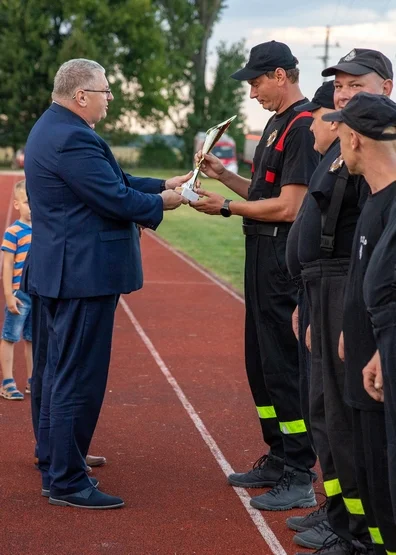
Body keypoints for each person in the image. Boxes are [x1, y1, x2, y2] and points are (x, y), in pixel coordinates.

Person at [24, 58, 190, 509]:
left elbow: (111, 180)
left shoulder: (55, 127)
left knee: (55, 372)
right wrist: (162, 202)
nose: (109, 99)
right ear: (82, 95)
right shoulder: (74, 137)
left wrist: (161, 184)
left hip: (62, 269)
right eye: (105, 91)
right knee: (76, 376)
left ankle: (57, 456)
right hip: (81, 273)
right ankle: (66, 480)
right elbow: (113, 197)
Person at [191, 40, 318, 511]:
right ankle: (278, 454)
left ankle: (300, 470)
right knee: (260, 365)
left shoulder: (303, 126)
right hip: (259, 256)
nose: (252, 92)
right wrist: (225, 177)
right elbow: (264, 191)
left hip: (281, 260)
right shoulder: (275, 125)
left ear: (281, 75)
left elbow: (290, 206)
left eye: (256, 82)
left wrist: (225, 206)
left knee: (283, 367)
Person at [286, 65, 388, 554]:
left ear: (384, 89)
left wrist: (352, 318)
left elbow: (364, 252)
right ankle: (338, 514)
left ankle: (356, 529)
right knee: (323, 411)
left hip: (344, 294)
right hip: (320, 293)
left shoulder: (373, 155)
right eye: (339, 87)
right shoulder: (338, 153)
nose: (341, 98)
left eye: (354, 86)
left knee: (347, 419)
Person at [322, 92, 396, 555]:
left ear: (354, 139)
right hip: (372, 361)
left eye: (340, 131)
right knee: (374, 477)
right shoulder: (375, 200)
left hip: (387, 362)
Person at [0, 180, 32, 401]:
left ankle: (33, 380)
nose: (33, 206)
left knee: (33, 339)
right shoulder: (14, 232)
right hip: (19, 295)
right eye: (28, 202)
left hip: (38, 293)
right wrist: (9, 295)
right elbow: (8, 264)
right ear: (17, 205)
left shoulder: (45, 229)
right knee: (10, 336)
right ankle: (7, 382)